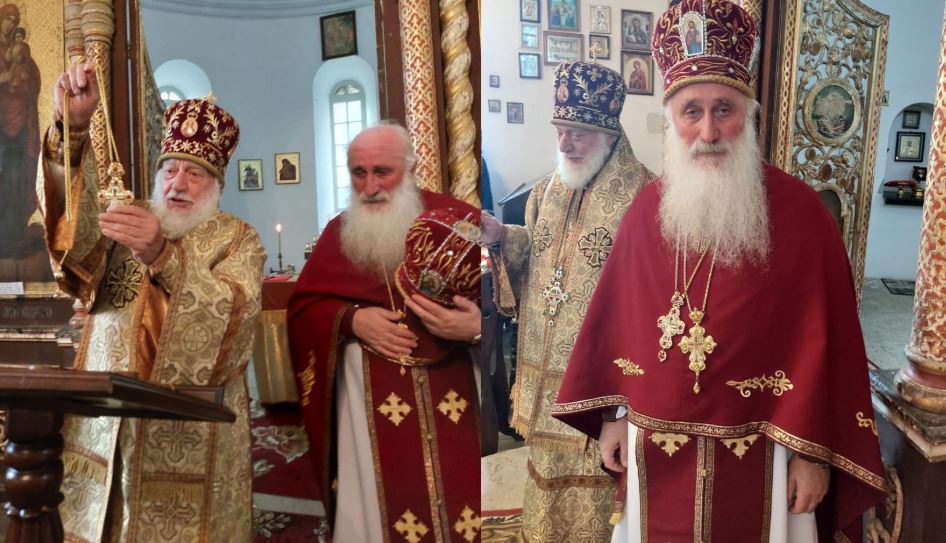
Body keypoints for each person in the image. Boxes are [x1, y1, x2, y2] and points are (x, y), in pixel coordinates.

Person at [551, 2, 886, 541]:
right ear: (672, 121)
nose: (708, 130)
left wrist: (813, 455)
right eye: (692, 112)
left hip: (770, 452)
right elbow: (619, 326)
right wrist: (614, 416)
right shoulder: (646, 211)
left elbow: (828, 347)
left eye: (723, 109)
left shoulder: (803, 215)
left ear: (747, 115)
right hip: (652, 444)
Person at [41, 61, 265, 542]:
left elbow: (237, 321)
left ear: (216, 186)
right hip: (106, 422)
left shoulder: (237, 239)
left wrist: (163, 255)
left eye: (194, 173)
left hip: (186, 431)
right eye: (170, 169)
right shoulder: (127, 218)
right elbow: (72, 249)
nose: (177, 183)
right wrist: (72, 131)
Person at [480, 60, 655, 541]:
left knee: (597, 483)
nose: (564, 144)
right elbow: (536, 253)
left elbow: (649, 295)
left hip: (599, 378)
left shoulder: (644, 195)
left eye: (576, 133)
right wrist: (501, 236)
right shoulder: (548, 189)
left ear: (608, 133)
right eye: (559, 131)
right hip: (545, 373)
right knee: (544, 477)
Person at [287, 123, 482, 542]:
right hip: (368, 397)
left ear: (411, 169)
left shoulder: (462, 223)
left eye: (382, 172)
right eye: (359, 173)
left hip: (457, 387)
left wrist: (477, 326)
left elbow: (511, 302)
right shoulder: (339, 233)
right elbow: (304, 308)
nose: (370, 187)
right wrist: (351, 319)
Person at [0, 4, 47, 281]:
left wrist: (23, 74)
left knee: (18, 180)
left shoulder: (23, 53)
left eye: (13, 20)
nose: (9, 24)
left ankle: (14, 237)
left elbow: (34, 83)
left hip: (18, 131)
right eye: (6, 19)